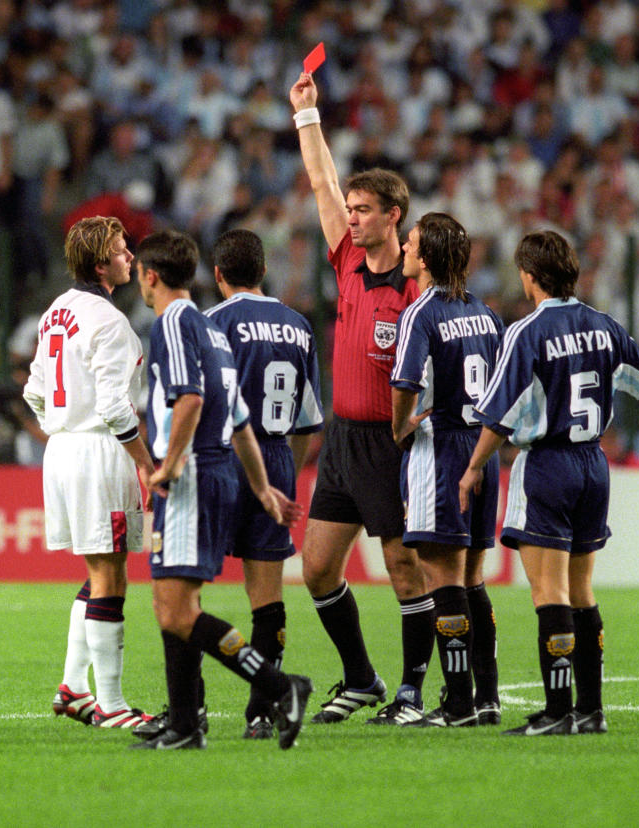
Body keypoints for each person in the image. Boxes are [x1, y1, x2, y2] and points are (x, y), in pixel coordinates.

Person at [458, 230, 639, 736]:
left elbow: (498, 416)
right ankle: (591, 710)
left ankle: (557, 712)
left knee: (549, 590)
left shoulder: (527, 332)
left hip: (548, 464)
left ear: (530, 276)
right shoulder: (605, 325)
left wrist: (473, 468)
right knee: (582, 589)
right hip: (593, 465)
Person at [128, 229, 311, 751]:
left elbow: (187, 400)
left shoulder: (175, 324)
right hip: (222, 470)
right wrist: (263, 487)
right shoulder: (211, 332)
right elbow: (240, 421)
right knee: (173, 604)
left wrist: (170, 462)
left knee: (178, 611)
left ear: (150, 275)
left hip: (192, 476)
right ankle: (185, 723)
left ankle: (280, 687)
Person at [289, 71, 435, 724]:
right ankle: (362, 677)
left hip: (390, 441)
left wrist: (425, 420)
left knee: (404, 571)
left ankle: (410, 691)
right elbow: (320, 180)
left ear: (393, 215)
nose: (351, 216)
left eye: (364, 209)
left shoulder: (416, 288)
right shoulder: (346, 257)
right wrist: (307, 117)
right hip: (343, 439)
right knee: (317, 566)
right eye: (350, 209)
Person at [22, 216, 156, 729]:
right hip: (100, 451)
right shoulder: (108, 321)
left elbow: (34, 391)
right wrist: (143, 462)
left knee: (97, 571)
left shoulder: (56, 311)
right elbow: (117, 408)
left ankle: (74, 689)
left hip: (60, 450)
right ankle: (113, 704)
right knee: (110, 574)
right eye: (123, 251)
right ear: (101, 263)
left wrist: (61, 424)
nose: (131, 258)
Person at [202, 228, 325, 739]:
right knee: (267, 596)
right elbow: (308, 420)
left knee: (183, 593)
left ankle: (190, 708)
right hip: (276, 459)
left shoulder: (211, 323)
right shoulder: (298, 325)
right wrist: (284, 477)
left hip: (222, 457)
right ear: (264, 271)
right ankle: (261, 712)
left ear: (217, 275)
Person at [390, 212, 504, 727]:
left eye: (410, 243)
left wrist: (398, 427)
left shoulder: (421, 313)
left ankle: (457, 702)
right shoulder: (484, 313)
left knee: (442, 576)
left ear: (427, 258)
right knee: (473, 576)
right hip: (484, 449)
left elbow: (405, 382)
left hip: (441, 448)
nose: (404, 250)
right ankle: (487, 698)